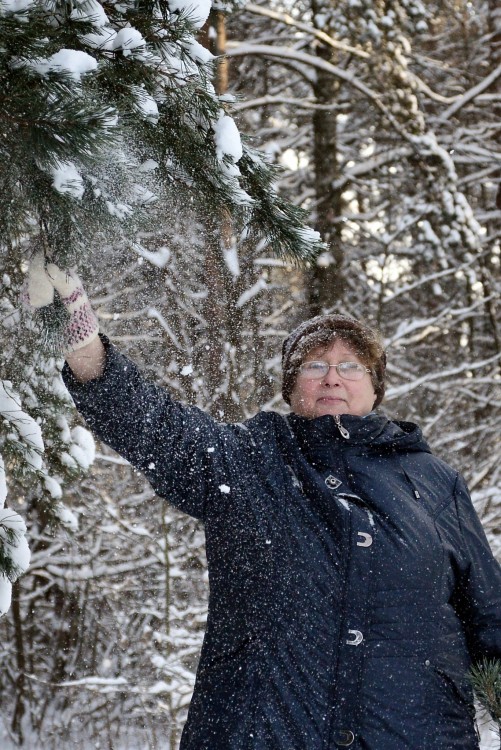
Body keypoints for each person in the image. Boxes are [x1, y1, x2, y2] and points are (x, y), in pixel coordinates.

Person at [24, 259, 501, 750]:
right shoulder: (251, 460)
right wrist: (85, 349)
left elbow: (490, 618)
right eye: (315, 365)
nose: (332, 378)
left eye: (351, 366)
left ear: (376, 388)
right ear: (293, 388)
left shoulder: (434, 481)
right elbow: (159, 430)